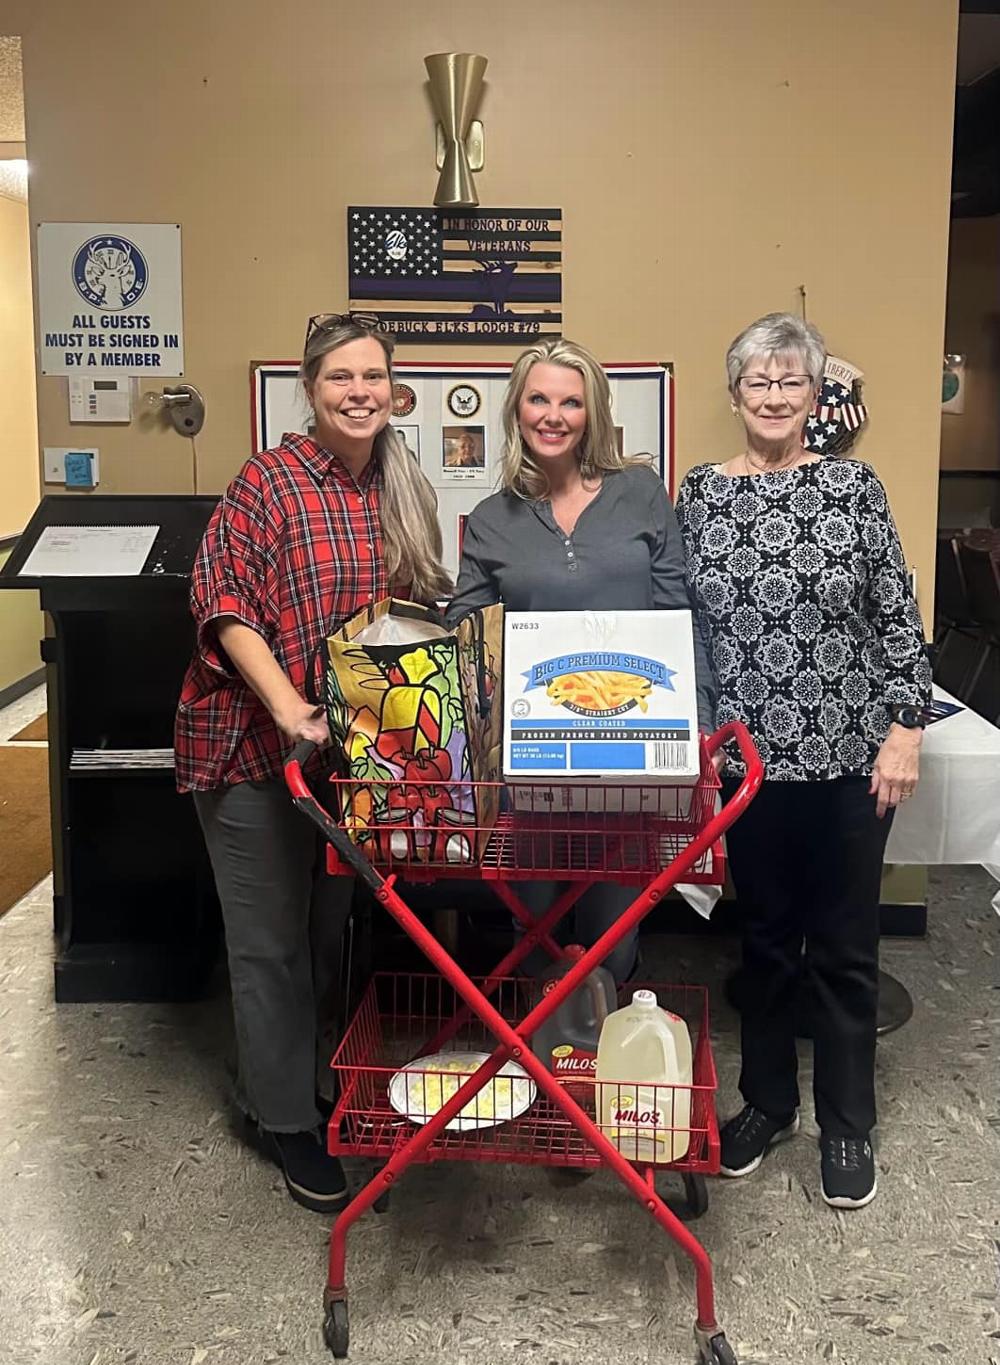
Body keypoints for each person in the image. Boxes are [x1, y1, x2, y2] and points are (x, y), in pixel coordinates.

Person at [174, 314, 451, 1212]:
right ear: (311, 385)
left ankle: (300, 1076)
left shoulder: (400, 485)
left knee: (330, 931)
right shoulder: (269, 480)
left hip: (347, 758)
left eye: (373, 376)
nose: (359, 391)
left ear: (392, 387)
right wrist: (289, 707)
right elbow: (221, 601)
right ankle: (285, 1117)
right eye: (341, 377)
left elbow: (406, 616)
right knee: (270, 947)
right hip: (251, 749)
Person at [675, 312, 931, 1210]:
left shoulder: (855, 488)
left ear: (815, 397)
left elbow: (899, 616)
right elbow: (688, 629)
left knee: (846, 948)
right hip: (749, 767)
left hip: (852, 758)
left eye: (792, 382)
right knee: (765, 944)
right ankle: (767, 1102)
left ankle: (847, 1122)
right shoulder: (700, 493)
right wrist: (691, 738)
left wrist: (906, 729)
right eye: (759, 381)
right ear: (736, 393)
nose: (775, 396)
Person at [445, 337, 715, 982]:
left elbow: (679, 614)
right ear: (516, 410)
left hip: (633, 753)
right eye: (538, 398)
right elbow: (468, 633)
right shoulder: (490, 518)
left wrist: (700, 721)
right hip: (531, 756)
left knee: (611, 931)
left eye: (571, 402)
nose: (553, 415)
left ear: (592, 412)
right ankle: (542, 1067)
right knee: (531, 927)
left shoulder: (641, 492)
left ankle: (599, 1068)